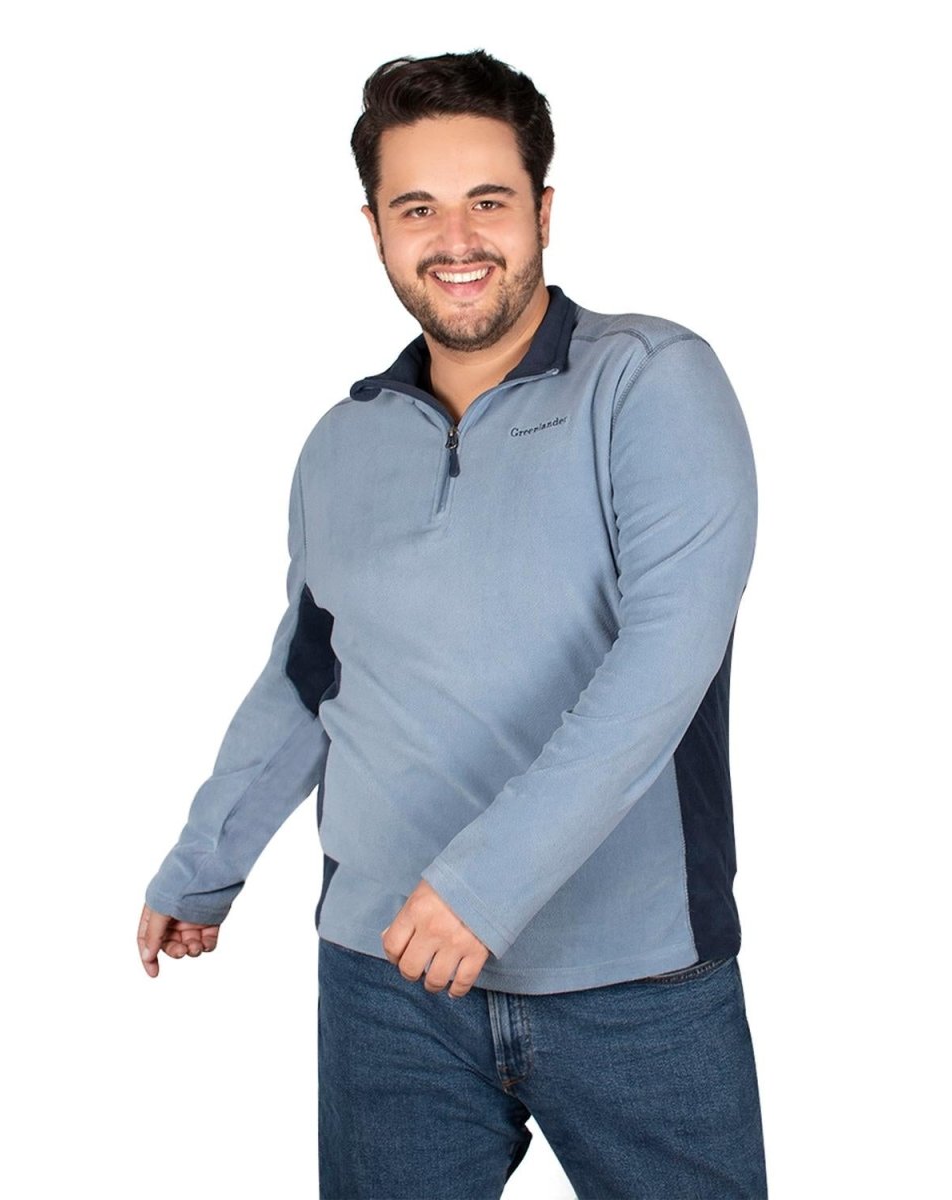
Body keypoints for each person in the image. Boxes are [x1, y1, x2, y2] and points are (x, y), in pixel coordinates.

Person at [138, 49, 767, 1199]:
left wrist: (483, 886)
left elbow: (666, 658)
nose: (457, 238)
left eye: (489, 200)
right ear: (376, 228)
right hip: (387, 982)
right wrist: (205, 863)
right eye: (418, 208)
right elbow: (309, 678)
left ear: (543, 211)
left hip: (633, 979)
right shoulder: (342, 442)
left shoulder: (650, 381)